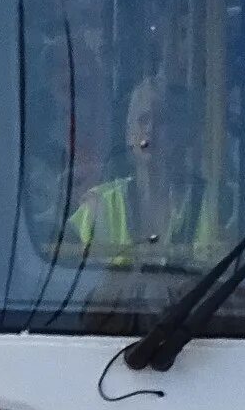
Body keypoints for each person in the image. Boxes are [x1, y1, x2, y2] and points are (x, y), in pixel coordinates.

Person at [65, 72, 224, 267]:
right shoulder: (97, 207)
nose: (150, 129)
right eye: (143, 120)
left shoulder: (216, 204)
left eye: (163, 120)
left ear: (185, 134)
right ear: (128, 134)